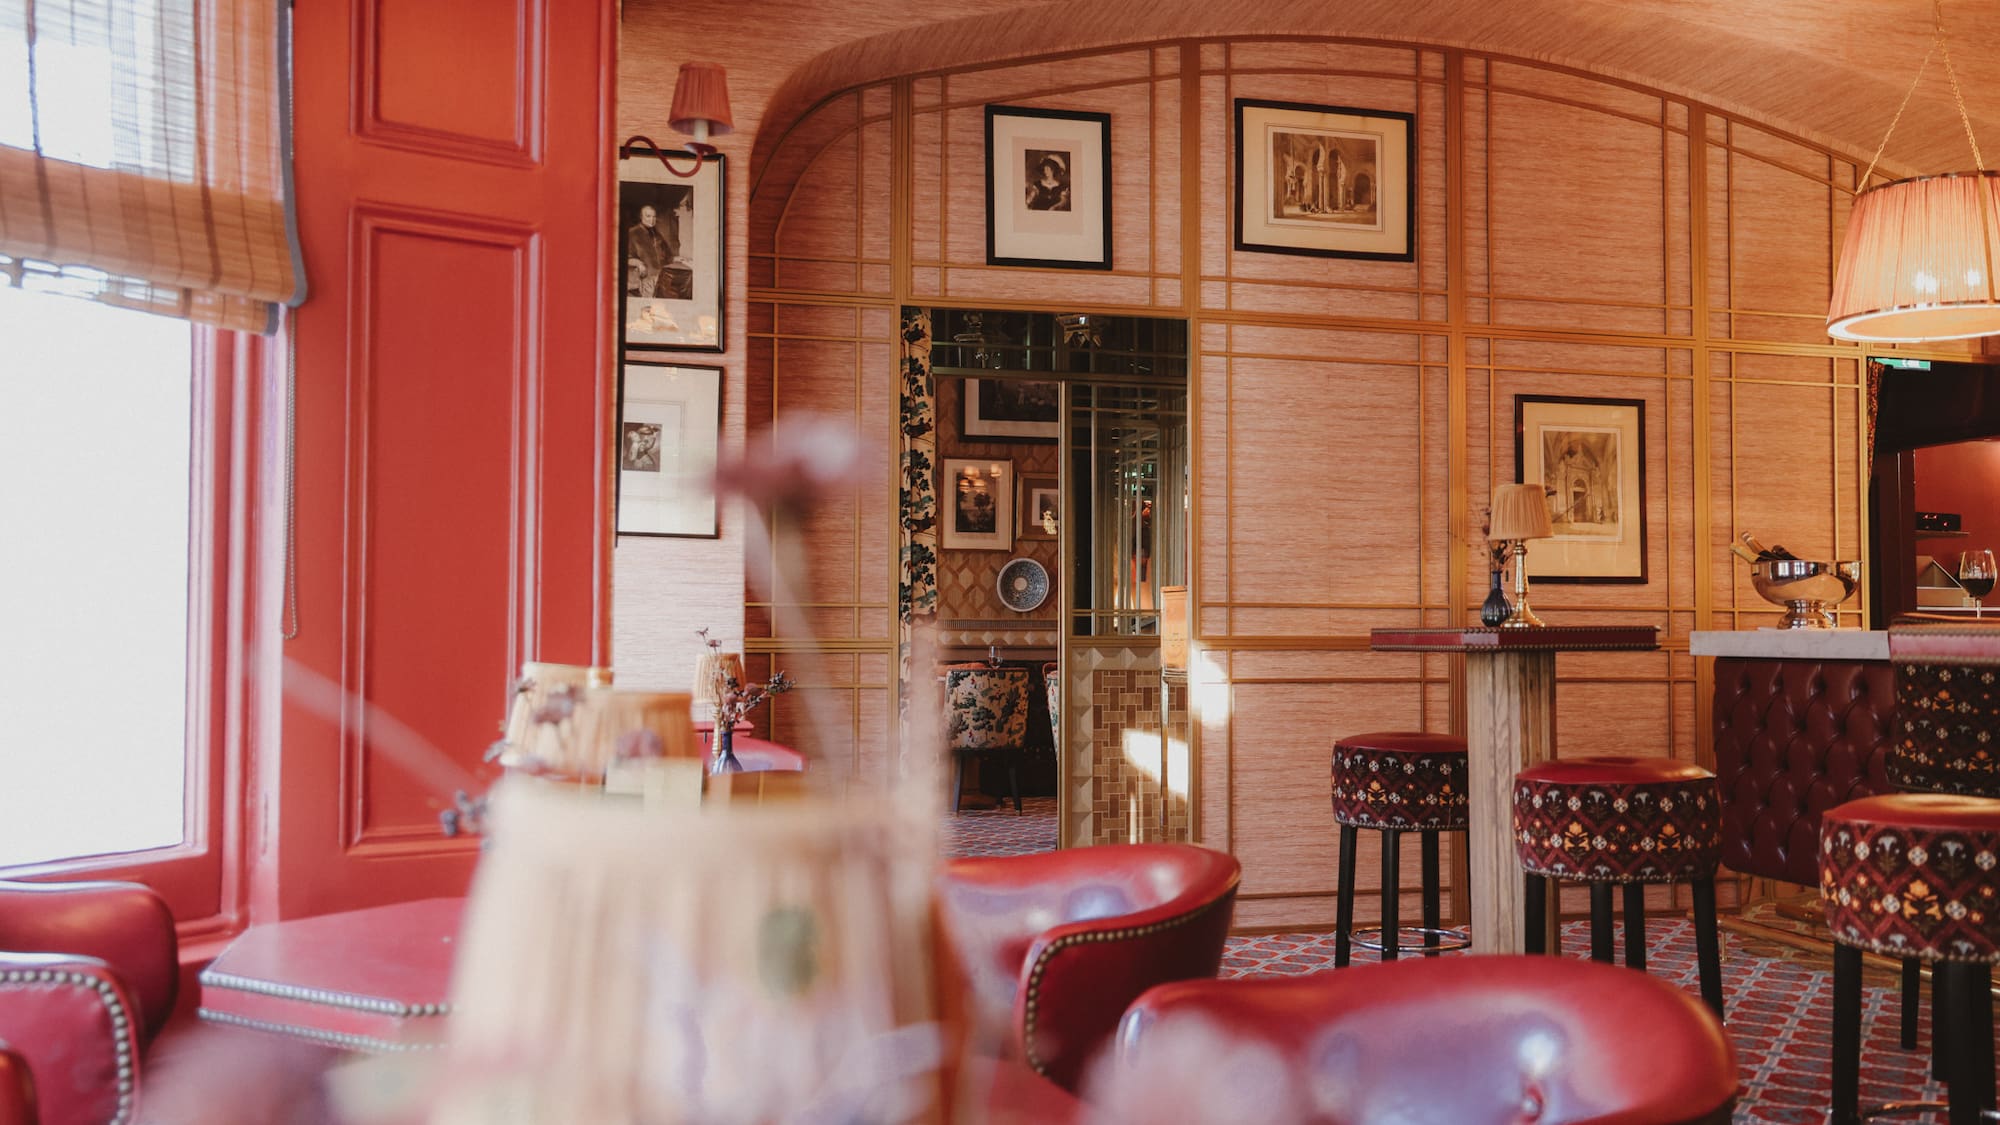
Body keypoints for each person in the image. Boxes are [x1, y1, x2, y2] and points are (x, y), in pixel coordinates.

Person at [626, 203, 679, 299]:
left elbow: (666, 254)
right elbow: (625, 257)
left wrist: (676, 258)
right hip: (642, 278)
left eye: (654, 216)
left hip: (660, 276)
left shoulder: (656, 233)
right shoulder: (632, 233)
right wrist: (638, 263)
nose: (652, 219)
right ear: (641, 217)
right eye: (648, 216)